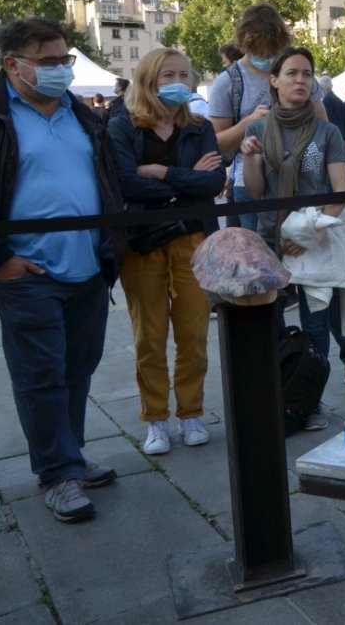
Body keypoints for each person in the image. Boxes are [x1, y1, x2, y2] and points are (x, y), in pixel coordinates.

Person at [0, 17, 125, 523]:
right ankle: (57, 474)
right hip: (27, 273)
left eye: (64, 60)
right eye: (48, 62)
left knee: (77, 370)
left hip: (87, 266)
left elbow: (108, 178)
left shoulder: (82, 115)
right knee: (40, 376)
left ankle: (72, 455)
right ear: (12, 64)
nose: (61, 69)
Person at [240, 47, 345, 397]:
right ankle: (283, 394)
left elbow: (340, 190)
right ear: (274, 80)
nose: (300, 80)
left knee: (315, 325)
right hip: (271, 240)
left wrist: (311, 235)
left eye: (306, 73)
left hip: (314, 242)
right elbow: (255, 193)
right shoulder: (256, 128)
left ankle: (310, 398)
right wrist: (250, 158)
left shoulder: (325, 131)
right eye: (291, 73)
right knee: (276, 325)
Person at [107, 48, 225, 456]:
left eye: (184, 74)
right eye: (167, 74)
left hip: (193, 240)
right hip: (142, 242)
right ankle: (155, 419)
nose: (178, 81)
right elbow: (124, 182)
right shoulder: (122, 126)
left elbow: (214, 185)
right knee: (149, 337)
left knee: (194, 333)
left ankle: (190, 412)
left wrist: (161, 173)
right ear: (148, 79)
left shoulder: (199, 127)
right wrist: (189, 180)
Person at [209, 4, 298, 233]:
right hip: (249, 183)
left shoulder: (295, 71)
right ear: (245, 44)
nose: (267, 58)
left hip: (298, 179)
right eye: (260, 52)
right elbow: (216, 144)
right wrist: (248, 124)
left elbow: (322, 125)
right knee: (261, 260)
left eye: (273, 51)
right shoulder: (228, 82)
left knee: (300, 259)